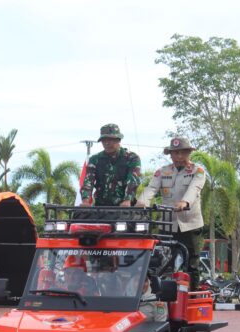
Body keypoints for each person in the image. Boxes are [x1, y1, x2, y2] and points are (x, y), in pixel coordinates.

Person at [137, 136, 206, 289]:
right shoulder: (163, 172)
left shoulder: (197, 171)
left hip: (190, 224)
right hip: (167, 223)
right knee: (163, 261)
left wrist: (184, 202)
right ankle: (162, 297)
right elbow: (152, 188)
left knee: (191, 262)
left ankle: (191, 296)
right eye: (175, 153)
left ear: (189, 153)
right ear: (170, 154)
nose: (179, 157)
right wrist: (143, 202)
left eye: (182, 153)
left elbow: (194, 189)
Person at [80, 123, 141, 207]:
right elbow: (88, 182)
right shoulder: (95, 159)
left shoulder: (132, 158)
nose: (107, 143)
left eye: (110, 140)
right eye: (104, 140)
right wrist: (85, 201)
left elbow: (133, 181)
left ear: (118, 140)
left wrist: (127, 200)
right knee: (79, 216)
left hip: (125, 208)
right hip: (100, 207)